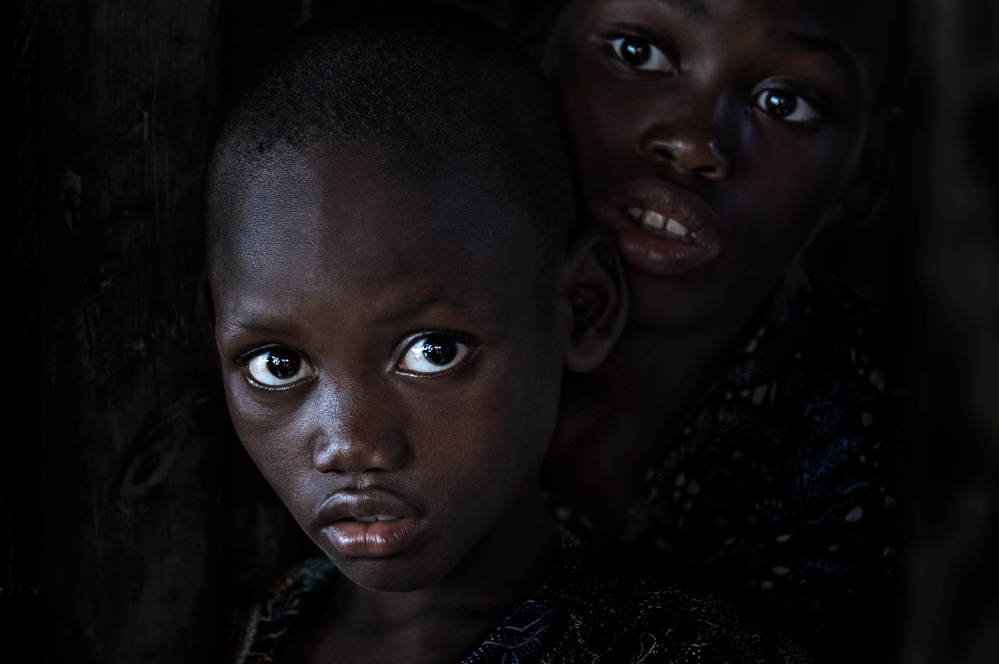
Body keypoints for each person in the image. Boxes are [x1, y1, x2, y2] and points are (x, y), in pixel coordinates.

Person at [206, 4, 812, 663]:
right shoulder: (239, 639)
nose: (352, 444)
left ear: (581, 309)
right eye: (275, 364)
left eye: (432, 353)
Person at [541, 0, 909, 660]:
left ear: (867, 163)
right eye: (637, 53)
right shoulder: (385, 298)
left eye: (786, 101)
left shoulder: (895, 468)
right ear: (542, 47)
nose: (693, 144)